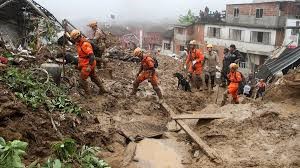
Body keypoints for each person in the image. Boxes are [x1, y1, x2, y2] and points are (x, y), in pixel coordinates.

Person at [70, 29, 108, 96]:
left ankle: (88, 96)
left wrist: (89, 66)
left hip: (87, 64)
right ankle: (103, 90)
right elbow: (74, 43)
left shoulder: (85, 44)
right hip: (85, 63)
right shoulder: (79, 42)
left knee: (82, 80)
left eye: (74, 39)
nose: (74, 40)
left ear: (78, 37)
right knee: (93, 77)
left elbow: (91, 56)